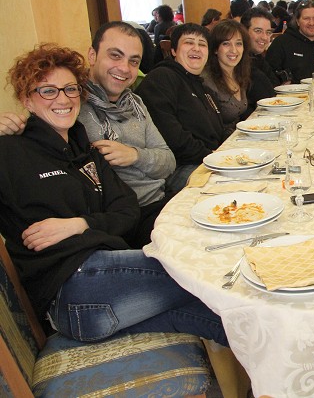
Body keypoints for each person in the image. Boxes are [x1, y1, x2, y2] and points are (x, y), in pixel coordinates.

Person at [0, 43, 228, 346]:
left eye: (70, 89)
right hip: (73, 287)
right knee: (217, 271)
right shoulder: (11, 151)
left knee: (224, 320)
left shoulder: (87, 152)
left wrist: (80, 224)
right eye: (48, 91)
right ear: (27, 100)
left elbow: (128, 211)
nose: (63, 99)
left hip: (103, 298)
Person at [0, 22, 176, 249]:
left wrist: (134, 155)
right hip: (116, 229)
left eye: (133, 61)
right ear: (92, 55)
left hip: (142, 208)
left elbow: (167, 161)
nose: (124, 68)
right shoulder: (69, 119)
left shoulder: (133, 104)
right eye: (115, 55)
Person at [138, 23, 224, 193]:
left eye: (202, 44)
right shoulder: (162, 78)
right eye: (189, 42)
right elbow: (172, 137)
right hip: (178, 168)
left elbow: (218, 131)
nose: (196, 48)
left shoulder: (203, 88)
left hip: (205, 160)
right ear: (173, 51)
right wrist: (213, 156)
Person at [201, 20, 275, 135]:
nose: (234, 50)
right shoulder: (207, 81)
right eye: (226, 44)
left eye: (238, 44)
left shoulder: (238, 73)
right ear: (215, 49)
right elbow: (212, 130)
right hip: (225, 141)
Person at [265, 0, 314, 83]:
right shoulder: (282, 43)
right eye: (306, 18)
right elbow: (269, 73)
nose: (311, 23)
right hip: (292, 91)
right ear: (297, 21)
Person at [240, 7, 283, 86]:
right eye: (258, 31)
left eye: (268, 32)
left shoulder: (258, 58)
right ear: (244, 31)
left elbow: (274, 84)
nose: (264, 37)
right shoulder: (238, 62)